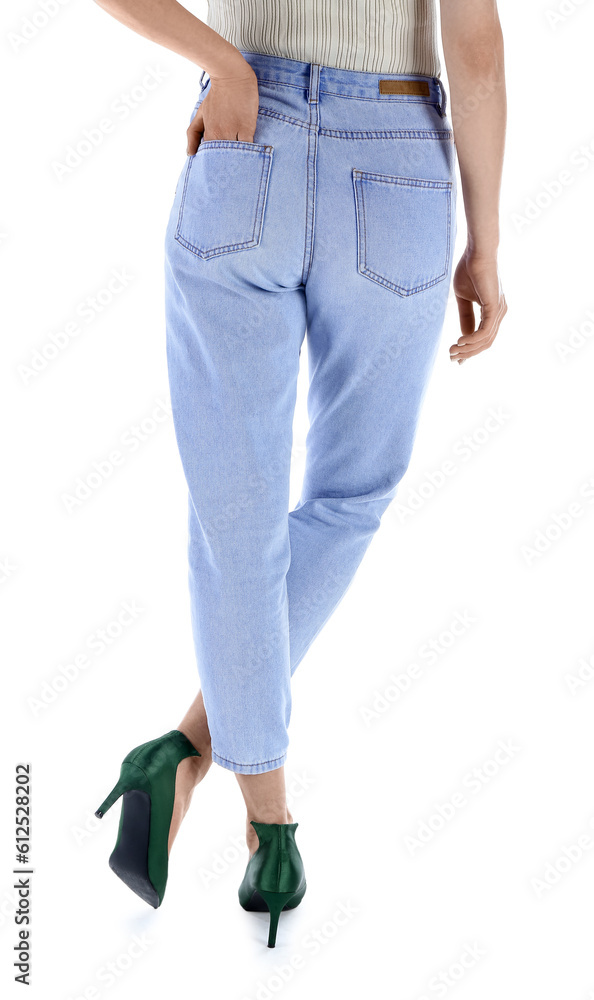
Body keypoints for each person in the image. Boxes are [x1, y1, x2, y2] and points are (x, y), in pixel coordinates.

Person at [93, 0, 507, 948]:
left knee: (235, 526)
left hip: (248, 140)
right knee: (351, 494)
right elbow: (475, 52)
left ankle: (239, 798)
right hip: (397, 157)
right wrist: (484, 243)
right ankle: (231, 791)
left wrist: (225, 68)